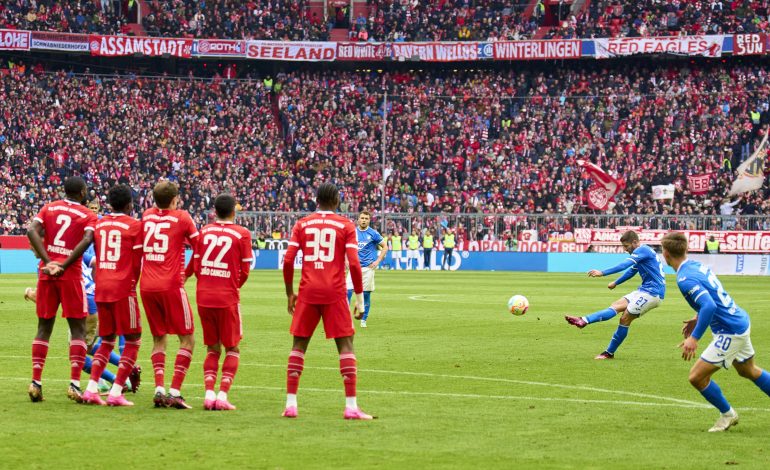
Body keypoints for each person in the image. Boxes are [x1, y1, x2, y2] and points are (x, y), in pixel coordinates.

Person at [662, 232, 770, 432]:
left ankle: (728, 415)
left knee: (696, 377)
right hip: (739, 320)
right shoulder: (696, 265)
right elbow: (713, 297)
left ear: (665, 253)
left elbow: (709, 306)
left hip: (729, 330)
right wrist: (697, 318)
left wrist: (694, 338)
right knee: (748, 370)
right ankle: (728, 414)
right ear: (686, 249)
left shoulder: (684, 278)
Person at [281, 182, 373, 420]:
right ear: (336, 201)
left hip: (308, 290)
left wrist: (289, 293)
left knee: (299, 344)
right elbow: (354, 263)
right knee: (346, 344)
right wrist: (360, 299)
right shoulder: (345, 225)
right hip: (334, 291)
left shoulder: (302, 224)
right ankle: (351, 406)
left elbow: (289, 260)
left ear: (316, 200)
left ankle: (291, 404)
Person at [26, 176, 97, 402]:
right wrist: (63, 265)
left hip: (47, 275)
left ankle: (35, 383)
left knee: (43, 327)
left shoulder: (49, 208)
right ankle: (74, 385)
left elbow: (31, 231)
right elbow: (87, 240)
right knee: (78, 329)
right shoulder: (88, 215)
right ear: (83, 192)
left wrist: (48, 262)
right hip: (71, 275)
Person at [82, 185, 144, 406]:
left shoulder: (100, 223)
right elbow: (137, 262)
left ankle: (90, 390)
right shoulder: (135, 226)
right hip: (122, 288)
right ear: (129, 205)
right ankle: (117, 391)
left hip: (102, 287)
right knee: (134, 341)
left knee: (106, 340)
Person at [191, 194, 253, 411]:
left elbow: (196, 266)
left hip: (204, 296)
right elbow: (245, 271)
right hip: (227, 297)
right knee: (233, 348)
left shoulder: (204, 231)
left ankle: (209, 395)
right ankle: (222, 395)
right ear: (234, 212)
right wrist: (234, 286)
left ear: (214, 212)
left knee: (212, 347)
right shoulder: (242, 234)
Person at [141, 181, 199, 409]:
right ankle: (174, 391)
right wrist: (188, 273)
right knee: (188, 338)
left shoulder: (146, 215)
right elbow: (200, 247)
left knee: (158, 338)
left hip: (147, 285)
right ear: (175, 199)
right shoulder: (183, 217)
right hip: (171, 284)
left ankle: (158, 389)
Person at [565, 231, 666, 359]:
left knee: (625, 318)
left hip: (653, 293)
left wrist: (602, 272)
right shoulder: (643, 253)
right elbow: (632, 271)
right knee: (616, 306)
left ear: (635, 242)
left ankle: (609, 352)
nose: (625, 249)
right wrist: (616, 283)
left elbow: (625, 265)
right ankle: (583, 320)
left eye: (626, 246)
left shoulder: (642, 250)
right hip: (644, 290)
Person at [346, 211, 388, 328]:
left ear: (369, 220)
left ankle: (363, 320)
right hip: (354, 268)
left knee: (366, 295)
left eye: (366, 218)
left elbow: (385, 247)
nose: (364, 220)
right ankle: (344, 319)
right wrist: (346, 261)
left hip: (368, 269)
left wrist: (378, 261)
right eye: (362, 218)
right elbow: (345, 247)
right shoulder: (352, 233)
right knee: (347, 292)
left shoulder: (373, 233)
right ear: (358, 219)